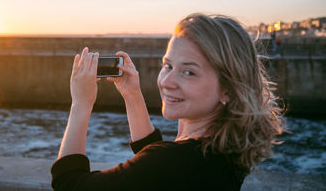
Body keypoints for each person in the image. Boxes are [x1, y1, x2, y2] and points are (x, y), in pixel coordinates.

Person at [51, 13, 284, 191]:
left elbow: (68, 183)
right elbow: (156, 165)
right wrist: (132, 95)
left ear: (229, 90)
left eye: (189, 72)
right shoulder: (225, 151)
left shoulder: (175, 163)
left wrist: (80, 104)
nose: (167, 81)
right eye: (168, 66)